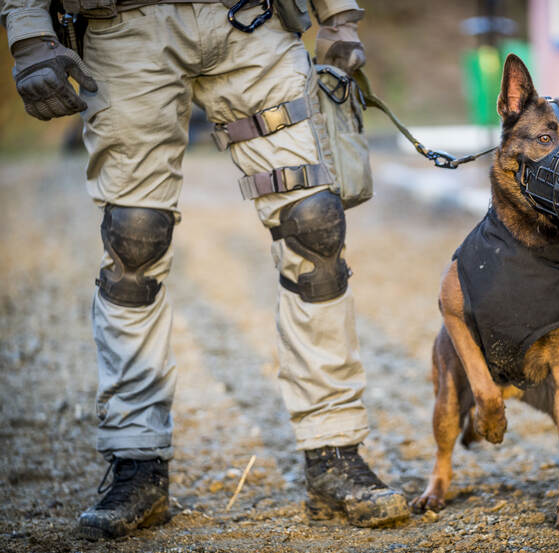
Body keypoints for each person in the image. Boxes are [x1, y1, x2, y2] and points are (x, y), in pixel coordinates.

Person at [0, 0, 410, 538]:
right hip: (124, 30)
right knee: (134, 242)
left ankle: (335, 452)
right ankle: (137, 462)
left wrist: (338, 14)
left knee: (315, 228)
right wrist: (29, 34)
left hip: (250, 22)